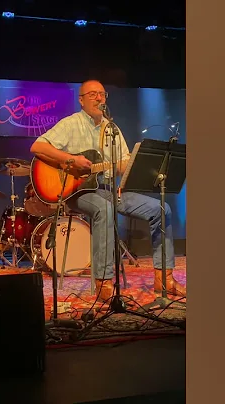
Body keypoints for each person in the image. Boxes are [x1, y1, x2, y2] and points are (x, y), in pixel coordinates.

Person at [29, 79, 186, 303]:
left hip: (111, 189)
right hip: (80, 193)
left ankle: (164, 278)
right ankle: (104, 282)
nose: (99, 98)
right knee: (105, 209)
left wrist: (133, 165)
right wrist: (71, 159)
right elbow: (37, 147)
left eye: (102, 94)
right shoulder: (70, 124)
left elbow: (121, 162)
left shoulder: (112, 128)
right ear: (81, 100)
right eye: (92, 94)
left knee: (161, 208)